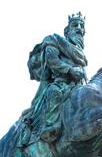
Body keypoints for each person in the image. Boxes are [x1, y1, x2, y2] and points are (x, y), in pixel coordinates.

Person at [21, 12, 88, 144]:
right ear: (67, 31)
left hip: (78, 86)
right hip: (60, 83)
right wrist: (70, 70)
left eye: (81, 26)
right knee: (54, 92)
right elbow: (52, 60)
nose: (79, 28)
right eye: (75, 25)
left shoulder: (81, 55)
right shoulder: (54, 40)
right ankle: (50, 127)